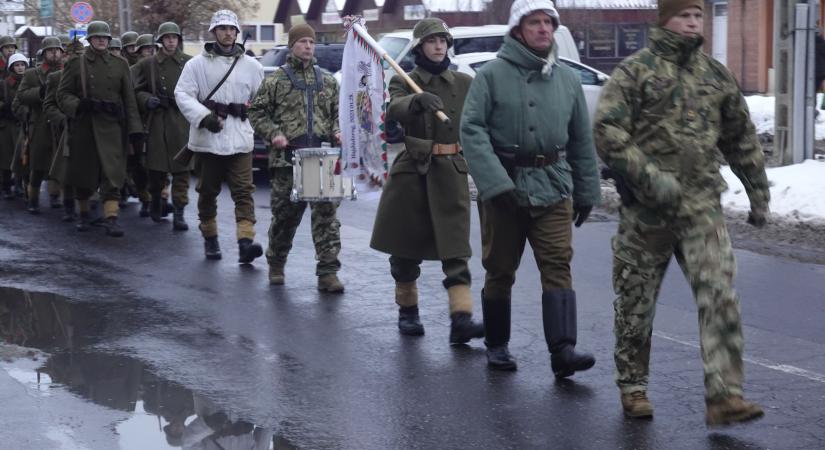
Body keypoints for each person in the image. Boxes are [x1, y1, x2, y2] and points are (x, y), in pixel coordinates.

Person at [593, 0, 769, 425]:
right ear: (664, 20)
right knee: (637, 302)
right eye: (684, 16)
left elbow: (740, 135)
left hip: (702, 208)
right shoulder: (635, 71)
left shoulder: (714, 74)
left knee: (719, 295)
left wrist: (757, 190)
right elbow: (607, 130)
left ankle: (725, 395)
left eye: (697, 16)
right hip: (647, 212)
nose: (693, 23)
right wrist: (650, 177)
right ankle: (633, 385)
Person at [460, 0, 601, 375]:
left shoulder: (568, 79)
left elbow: (580, 140)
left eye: (548, 23)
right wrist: (494, 183)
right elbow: (471, 130)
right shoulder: (490, 75)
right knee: (500, 268)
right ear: (518, 29)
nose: (543, 29)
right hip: (505, 187)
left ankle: (563, 351)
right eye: (535, 22)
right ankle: (497, 344)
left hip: (553, 184)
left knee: (557, 264)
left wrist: (588, 190)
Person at [369, 18, 483, 342]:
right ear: (420, 47)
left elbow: (477, 124)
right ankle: (408, 312)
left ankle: (461, 319)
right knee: (404, 251)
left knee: (456, 250)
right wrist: (414, 102)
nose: (438, 46)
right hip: (413, 172)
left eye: (443, 41)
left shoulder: (463, 82)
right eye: (431, 41)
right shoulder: (404, 79)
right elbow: (394, 109)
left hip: (452, 170)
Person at [247, 23, 344, 292]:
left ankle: (328, 272)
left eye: (311, 42)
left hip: (320, 157)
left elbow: (337, 114)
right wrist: (274, 133)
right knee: (286, 217)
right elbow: (256, 112)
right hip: (287, 160)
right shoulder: (276, 80)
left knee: (327, 217)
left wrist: (337, 131)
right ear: (292, 46)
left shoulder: (327, 80)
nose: (308, 46)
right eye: (302, 42)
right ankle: (276, 262)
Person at [175, 9, 265, 263]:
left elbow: (261, 101)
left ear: (237, 33)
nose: (227, 33)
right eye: (222, 28)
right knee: (207, 192)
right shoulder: (196, 65)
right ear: (214, 32)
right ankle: (210, 238)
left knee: (244, 192)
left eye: (231, 29)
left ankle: (245, 243)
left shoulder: (252, 66)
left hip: (240, 139)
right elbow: (182, 94)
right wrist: (204, 117)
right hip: (207, 140)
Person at [56, 21, 143, 236]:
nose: (102, 40)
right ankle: (84, 215)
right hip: (85, 126)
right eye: (97, 37)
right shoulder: (77, 63)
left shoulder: (120, 63)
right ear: (90, 40)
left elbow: (129, 99)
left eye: (105, 37)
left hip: (113, 127)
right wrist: (78, 105)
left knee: (112, 174)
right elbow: (62, 94)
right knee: (84, 175)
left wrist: (135, 129)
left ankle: (111, 218)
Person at [132, 22, 191, 230]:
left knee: (182, 171)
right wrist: (147, 99)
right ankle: (156, 197)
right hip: (157, 121)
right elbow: (136, 90)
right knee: (156, 171)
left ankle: (179, 213)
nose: (171, 41)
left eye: (174, 37)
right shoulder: (148, 64)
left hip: (181, 122)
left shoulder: (189, 62)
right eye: (167, 38)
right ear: (161, 40)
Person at [13, 36, 64, 214]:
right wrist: (40, 92)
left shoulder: (67, 71)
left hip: (60, 122)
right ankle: (33, 198)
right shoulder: (32, 74)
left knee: (58, 161)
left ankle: (55, 195)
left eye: (57, 50)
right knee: (37, 165)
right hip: (40, 124)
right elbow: (22, 96)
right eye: (51, 50)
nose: (55, 53)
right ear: (44, 53)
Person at [0, 53, 26, 199]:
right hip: (6, 126)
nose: (20, 68)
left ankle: (19, 185)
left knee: (23, 157)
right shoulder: (3, 84)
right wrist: (4, 106)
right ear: (11, 67)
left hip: (22, 125)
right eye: (17, 65)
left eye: (22, 64)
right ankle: (6, 187)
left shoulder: (28, 82)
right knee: (6, 158)